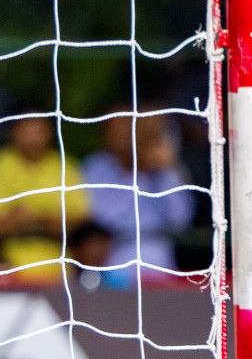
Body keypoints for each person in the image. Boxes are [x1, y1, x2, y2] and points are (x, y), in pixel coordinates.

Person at [82, 109, 195, 283]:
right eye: (117, 131)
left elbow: (181, 219)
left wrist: (162, 172)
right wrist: (132, 176)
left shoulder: (164, 172)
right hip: (114, 265)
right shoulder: (96, 167)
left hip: (161, 267)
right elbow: (100, 216)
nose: (124, 138)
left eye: (128, 131)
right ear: (106, 134)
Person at [0, 114, 86, 282]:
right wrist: (49, 220)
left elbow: (76, 220)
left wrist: (30, 218)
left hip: (59, 262)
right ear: (14, 132)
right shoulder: (1, 164)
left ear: (49, 133)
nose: (32, 138)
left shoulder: (65, 166)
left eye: (38, 131)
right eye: (26, 131)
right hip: (10, 263)